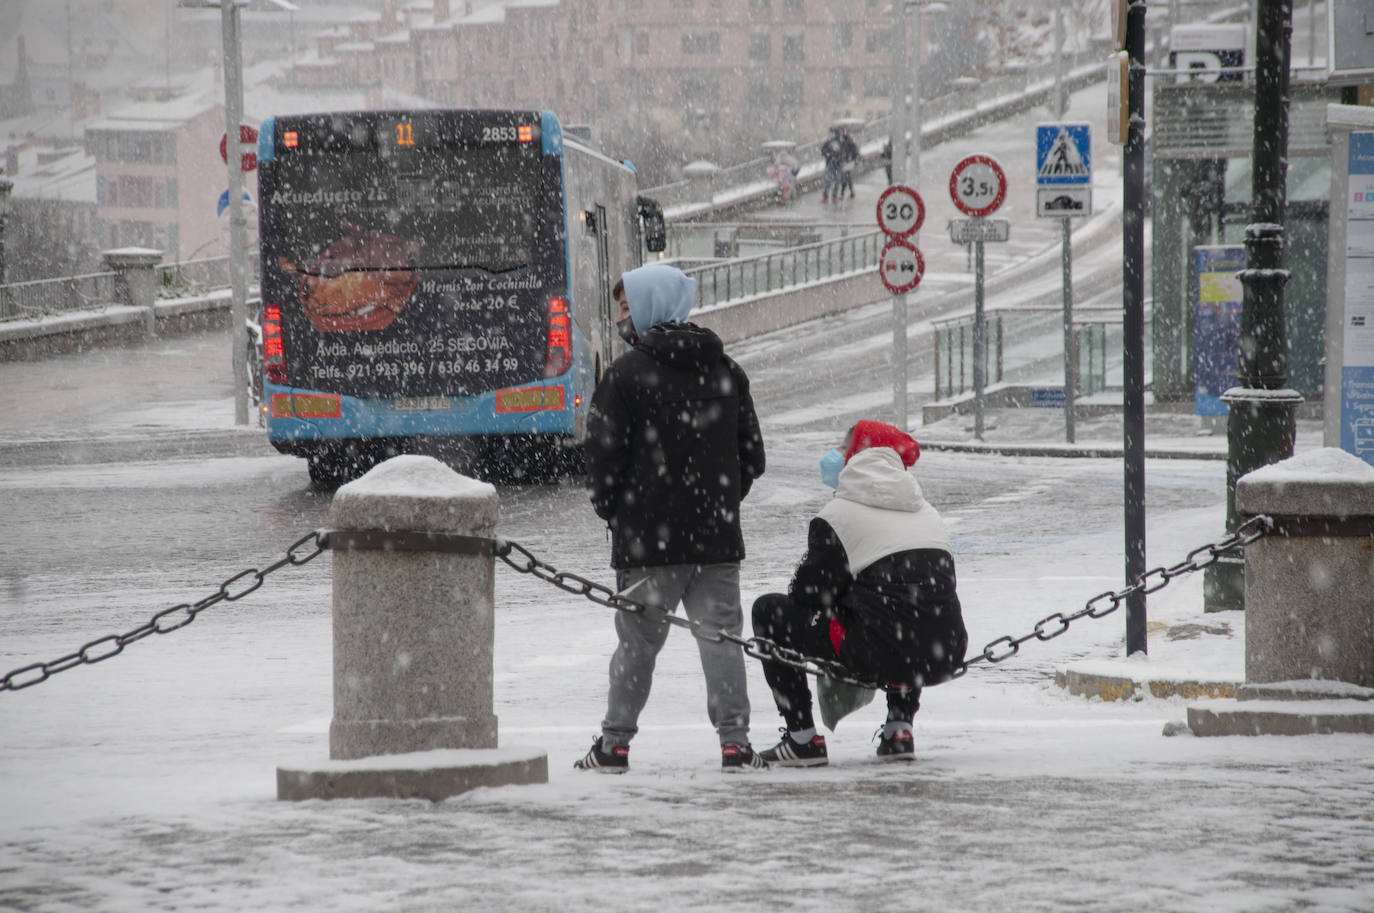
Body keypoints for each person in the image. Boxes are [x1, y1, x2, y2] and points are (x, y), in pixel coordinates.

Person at [577, 263, 769, 773]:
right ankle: (735, 742)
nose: (622, 317)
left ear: (647, 307)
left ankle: (614, 744)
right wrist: (721, 501)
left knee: (637, 647)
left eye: (626, 307)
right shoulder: (726, 370)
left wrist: (619, 513)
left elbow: (600, 457)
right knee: (722, 640)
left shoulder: (624, 376)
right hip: (715, 538)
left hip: (647, 543)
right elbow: (752, 456)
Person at [751, 420, 967, 767]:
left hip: (879, 651)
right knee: (909, 609)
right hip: (946, 649)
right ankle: (899, 728)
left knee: (768, 611)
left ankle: (802, 739)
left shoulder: (838, 516)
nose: (835, 455)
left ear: (856, 456)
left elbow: (808, 593)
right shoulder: (928, 513)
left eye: (842, 447)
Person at [820, 129, 845, 205]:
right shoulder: (829, 142)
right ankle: (828, 196)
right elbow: (823, 150)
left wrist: (837, 158)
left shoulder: (840, 142)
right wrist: (829, 156)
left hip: (837, 165)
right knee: (830, 181)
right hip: (831, 164)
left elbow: (843, 153)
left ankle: (832, 197)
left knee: (835, 182)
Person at [838, 128, 860, 199]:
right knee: (847, 177)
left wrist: (852, 158)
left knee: (845, 177)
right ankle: (849, 192)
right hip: (847, 162)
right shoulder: (846, 142)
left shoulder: (847, 142)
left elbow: (854, 151)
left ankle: (844, 193)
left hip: (847, 162)